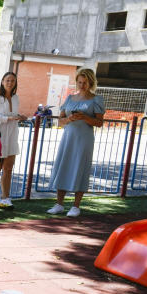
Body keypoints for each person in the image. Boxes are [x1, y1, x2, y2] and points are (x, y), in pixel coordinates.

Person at [46, 68, 105, 217]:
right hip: (68, 138)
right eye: (79, 82)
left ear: (91, 83)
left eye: (85, 82)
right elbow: (60, 121)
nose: (82, 85)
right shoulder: (70, 99)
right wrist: (69, 119)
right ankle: (59, 204)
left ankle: (75, 206)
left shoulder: (96, 99)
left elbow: (99, 122)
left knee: (81, 167)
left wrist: (84, 117)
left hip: (84, 140)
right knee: (63, 165)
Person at [0, 72, 26, 207]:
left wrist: (19, 117)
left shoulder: (16, 98)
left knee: (8, 168)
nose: (10, 83)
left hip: (12, 135)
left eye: (13, 81)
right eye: (7, 80)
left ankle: (6, 197)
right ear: (2, 81)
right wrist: (7, 118)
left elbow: (13, 115)